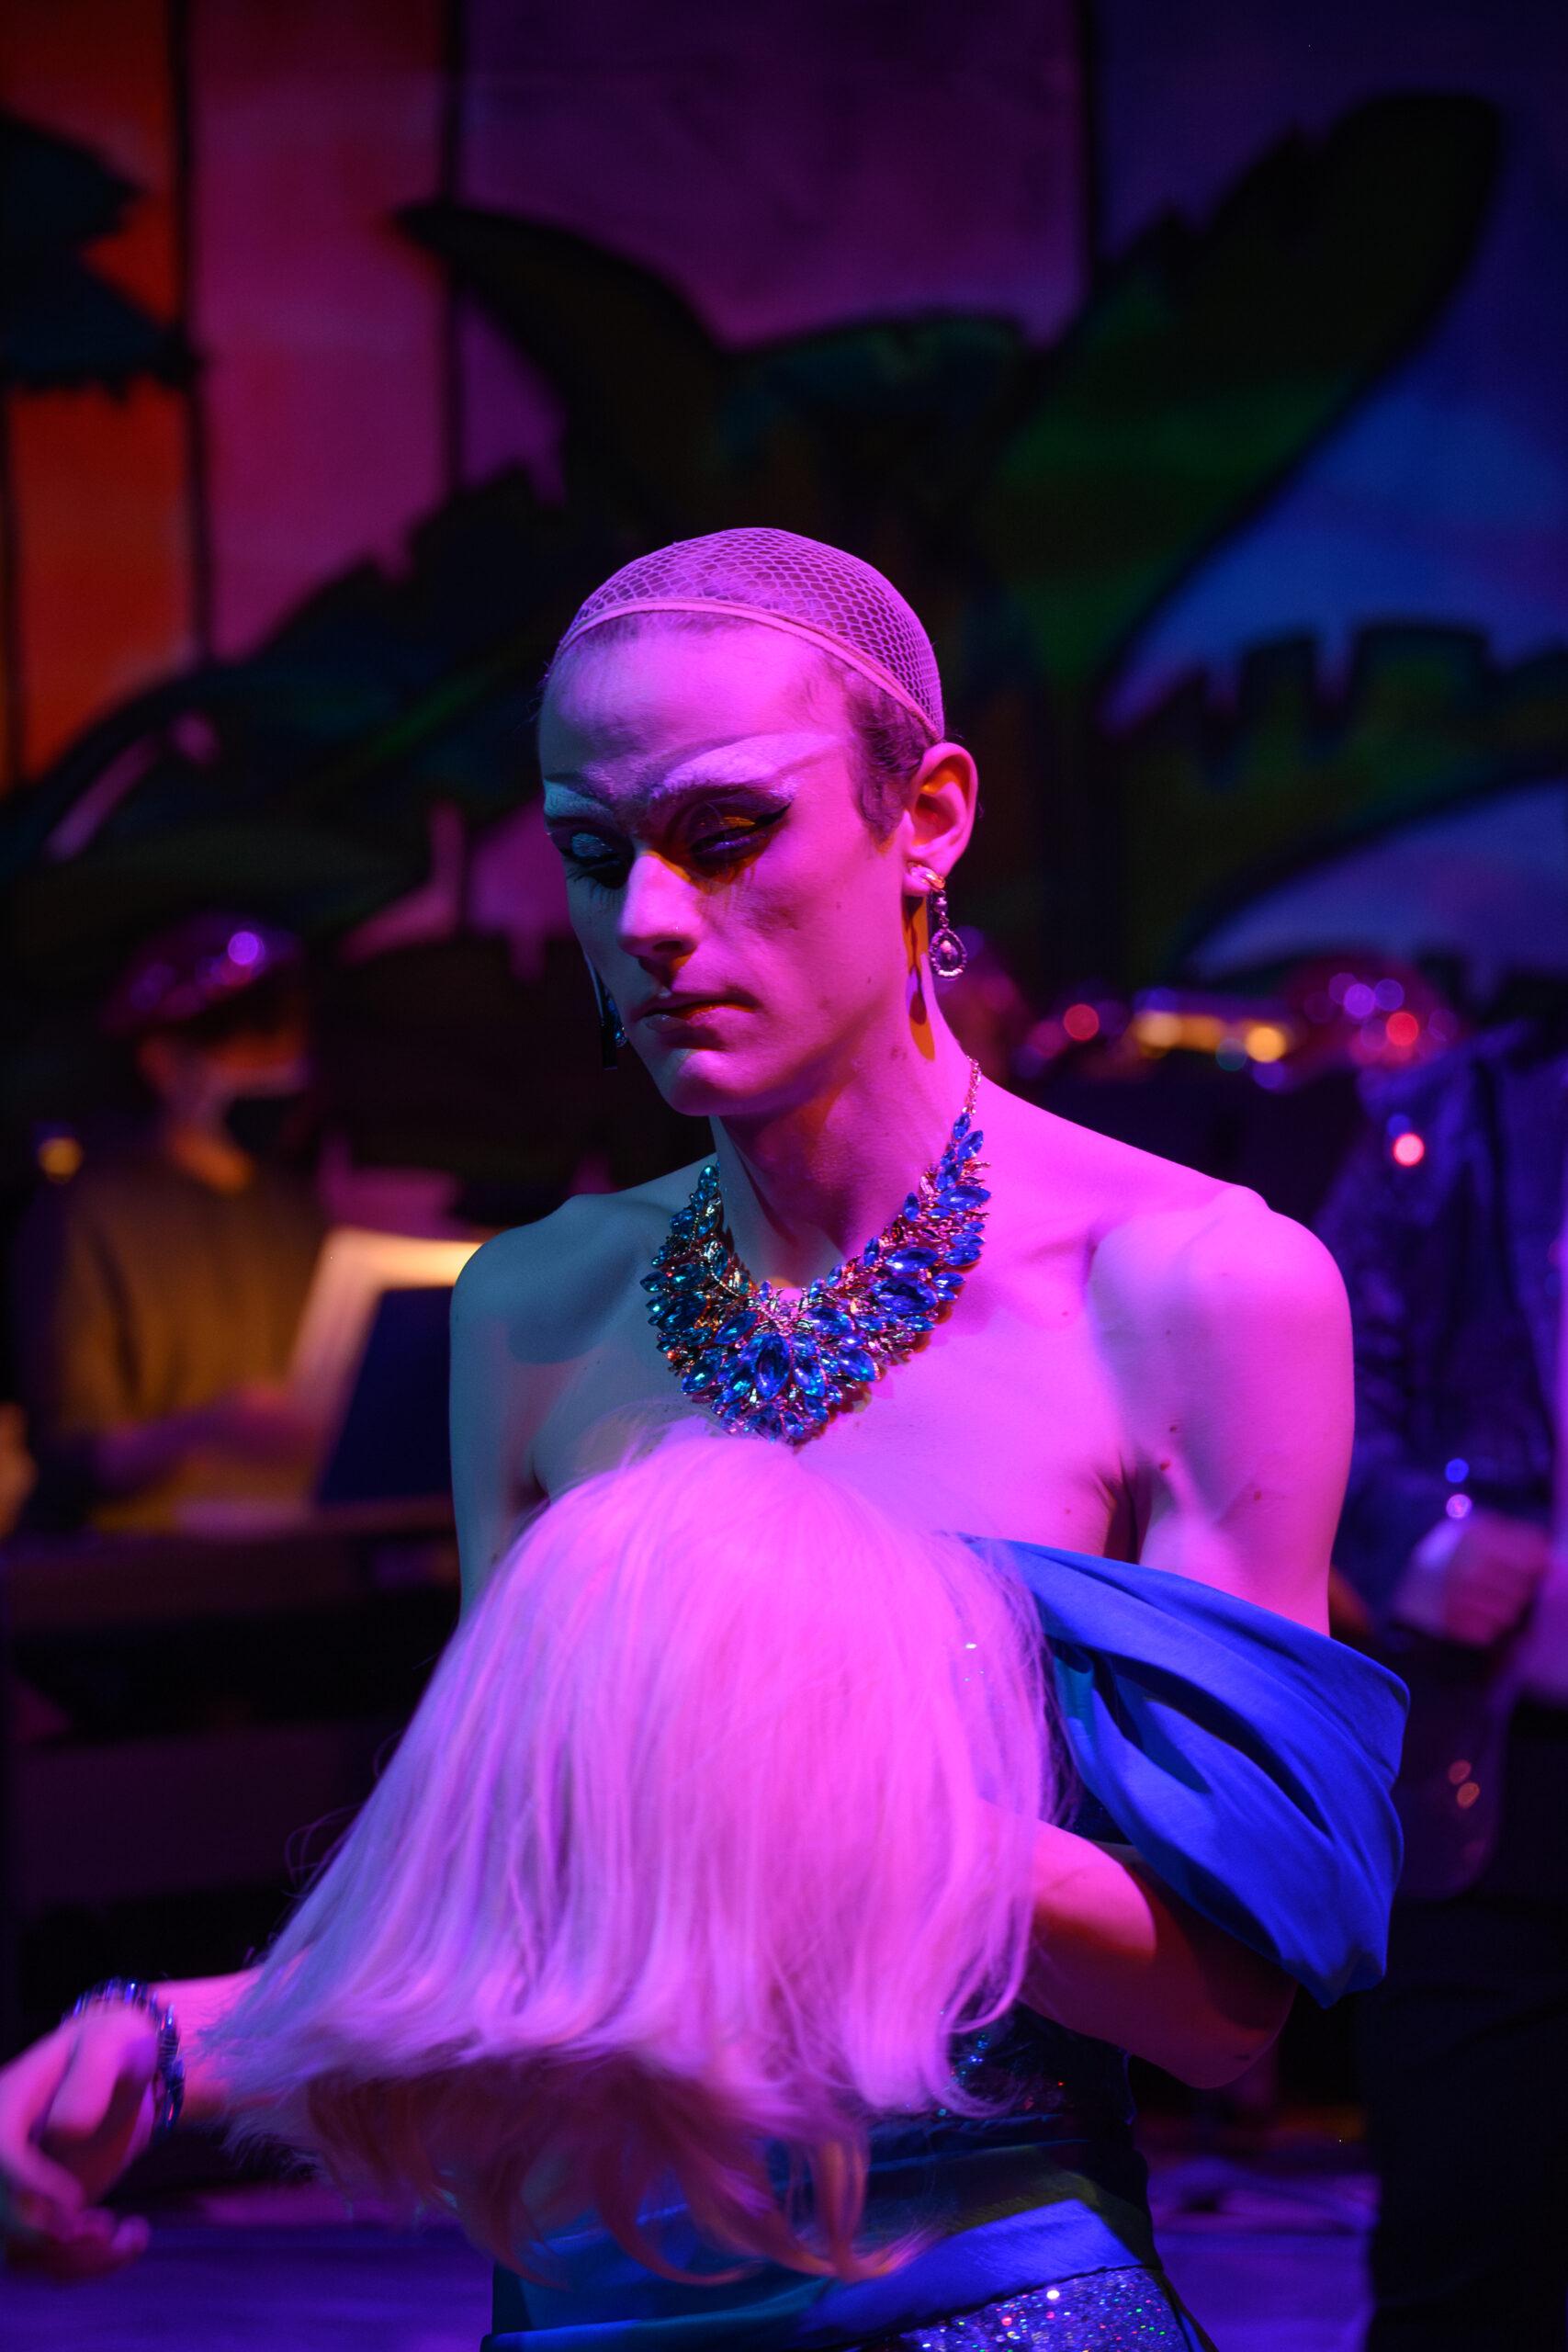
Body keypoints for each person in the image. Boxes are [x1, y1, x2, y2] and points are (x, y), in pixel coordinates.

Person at [0, 531, 1406, 2346]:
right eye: (596, 855)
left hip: (965, 2294)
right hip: (581, 2302)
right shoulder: (535, 1308)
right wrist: (152, 2045)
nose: (650, 921)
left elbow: (1218, 2007)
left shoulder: (1188, 1287)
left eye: (726, 834)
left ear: (926, 818)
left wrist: (813, 1792)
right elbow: (530, 1928)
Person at [1316, 1006, 1568, 2352]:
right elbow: (1315, 1374)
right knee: (1467, 2253)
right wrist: (1422, 1542)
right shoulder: (1459, 1118)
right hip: (1503, 1763)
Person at [8, 913, 328, 1530]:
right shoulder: (89, 1214)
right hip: (133, 1559)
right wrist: (212, 1427)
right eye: (254, 1043)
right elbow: (73, 1456)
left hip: (279, 1540)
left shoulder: (297, 1214)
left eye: (290, 1042)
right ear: (165, 1062)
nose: (282, 1066)